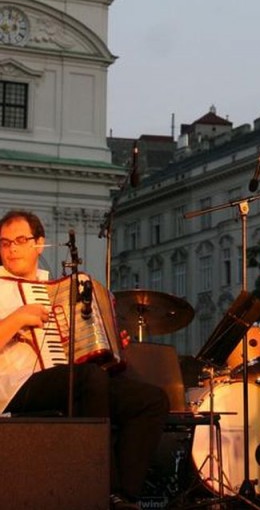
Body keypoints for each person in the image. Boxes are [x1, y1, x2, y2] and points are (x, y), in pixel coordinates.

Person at [0, 209, 169, 510]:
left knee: (151, 399)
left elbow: (80, 347)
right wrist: (16, 319)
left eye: (20, 240)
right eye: (4, 242)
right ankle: (104, 488)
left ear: (39, 244)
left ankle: (126, 496)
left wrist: (113, 343)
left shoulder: (57, 289)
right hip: (16, 387)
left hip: (68, 381)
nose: (11, 248)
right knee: (89, 379)